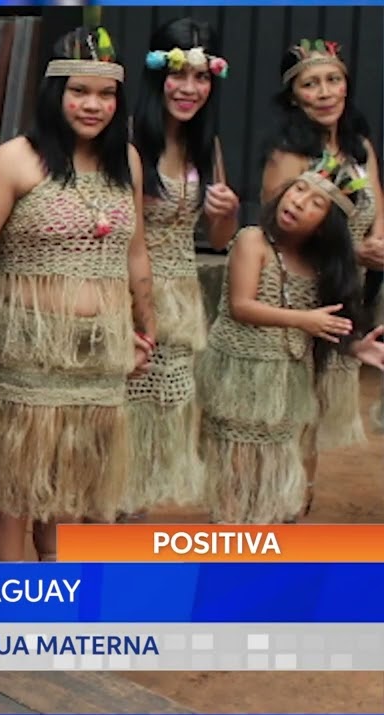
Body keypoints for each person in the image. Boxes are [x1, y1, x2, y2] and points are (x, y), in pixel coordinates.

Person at [0, 27, 155, 561]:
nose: (93, 105)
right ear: (55, 93)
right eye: (79, 91)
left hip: (98, 356)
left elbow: (135, 251)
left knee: (70, 484)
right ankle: (7, 611)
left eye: (105, 94)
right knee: (12, 489)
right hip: (25, 353)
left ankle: (56, 602)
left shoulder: (128, 162)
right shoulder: (14, 160)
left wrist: (146, 326)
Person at [200, 153, 384, 523]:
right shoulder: (253, 241)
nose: (298, 202)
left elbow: (326, 325)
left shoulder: (322, 269)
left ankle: (262, 560)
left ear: (325, 227)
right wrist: (304, 320)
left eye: (315, 203)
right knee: (237, 475)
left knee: (274, 476)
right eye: (298, 190)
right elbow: (241, 305)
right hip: (239, 378)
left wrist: (354, 347)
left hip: (286, 386)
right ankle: (225, 560)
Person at [123, 18, 239, 517]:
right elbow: (128, 242)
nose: (189, 89)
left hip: (183, 303)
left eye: (202, 77)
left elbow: (219, 240)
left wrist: (226, 214)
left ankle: (129, 545)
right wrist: (140, 316)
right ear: (156, 74)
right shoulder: (127, 140)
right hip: (130, 302)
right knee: (121, 433)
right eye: (179, 73)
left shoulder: (205, 147)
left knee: (157, 438)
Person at [260, 38, 384, 462]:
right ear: (293, 97)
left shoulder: (359, 148)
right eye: (311, 84)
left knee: (316, 417)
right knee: (290, 417)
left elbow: (377, 204)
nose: (326, 92)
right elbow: (277, 232)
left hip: (346, 291)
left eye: (334, 80)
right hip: (299, 297)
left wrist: (377, 244)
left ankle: (302, 504)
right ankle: (283, 509)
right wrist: (353, 251)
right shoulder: (288, 155)